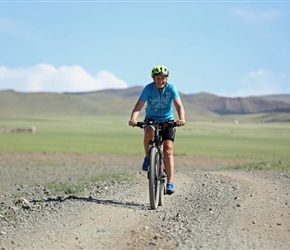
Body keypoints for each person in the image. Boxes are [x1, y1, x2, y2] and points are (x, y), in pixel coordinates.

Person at [128, 65, 185, 195]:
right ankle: (148, 158)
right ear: (153, 79)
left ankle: (170, 182)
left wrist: (181, 118)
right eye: (158, 78)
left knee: (168, 149)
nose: (160, 81)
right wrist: (133, 119)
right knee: (149, 132)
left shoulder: (171, 89)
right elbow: (139, 105)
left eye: (163, 78)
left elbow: (179, 105)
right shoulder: (148, 88)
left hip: (168, 120)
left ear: (167, 79)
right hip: (151, 119)